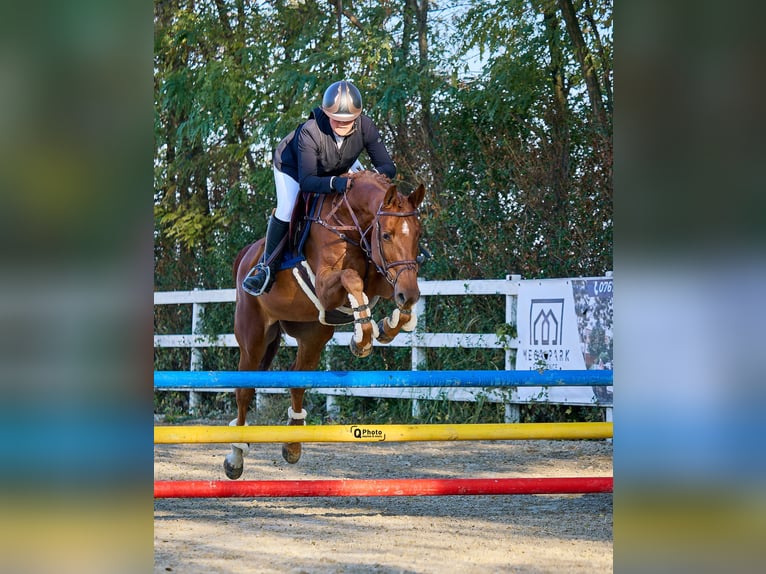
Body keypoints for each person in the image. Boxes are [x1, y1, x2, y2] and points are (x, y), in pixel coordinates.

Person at [242, 80, 397, 296]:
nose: (342, 125)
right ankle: (266, 267)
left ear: (358, 117)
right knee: (287, 209)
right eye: (336, 119)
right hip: (294, 168)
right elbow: (307, 182)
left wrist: (369, 182)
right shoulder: (311, 131)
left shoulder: (366, 127)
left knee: (372, 198)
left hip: (337, 163)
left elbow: (388, 167)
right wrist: (336, 183)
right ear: (326, 113)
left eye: (349, 120)